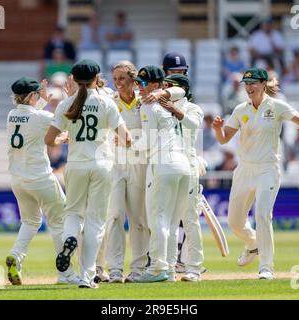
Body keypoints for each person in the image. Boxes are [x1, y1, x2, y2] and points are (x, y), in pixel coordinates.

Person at [212, 67, 299, 279]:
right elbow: (224, 139)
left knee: (262, 215)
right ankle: (252, 243)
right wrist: (217, 129)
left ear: (263, 84)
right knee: (234, 222)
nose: (248, 88)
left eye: (253, 84)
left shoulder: (276, 106)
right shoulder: (241, 109)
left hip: (268, 168)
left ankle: (266, 267)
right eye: (246, 84)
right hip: (245, 168)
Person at [45, 59, 132, 289]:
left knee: (73, 214)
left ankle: (70, 239)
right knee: (96, 222)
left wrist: (63, 139)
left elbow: (48, 139)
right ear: (96, 79)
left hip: (75, 164)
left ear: (73, 79)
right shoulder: (106, 103)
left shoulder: (66, 104)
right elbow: (127, 139)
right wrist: (119, 141)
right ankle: (87, 276)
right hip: (102, 165)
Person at [5, 77, 80, 286]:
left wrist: (41, 102)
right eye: (37, 94)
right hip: (41, 179)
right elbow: (67, 119)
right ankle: (65, 274)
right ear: (31, 96)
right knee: (59, 223)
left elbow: (30, 121)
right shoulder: (41, 116)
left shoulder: (11, 115)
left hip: (18, 180)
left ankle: (16, 256)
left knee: (30, 221)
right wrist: (71, 96)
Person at [127, 65, 190, 283]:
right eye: (138, 83)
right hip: (182, 165)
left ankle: (157, 269)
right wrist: (163, 92)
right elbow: (182, 90)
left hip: (164, 164)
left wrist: (127, 143)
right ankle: (170, 268)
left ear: (156, 84)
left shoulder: (149, 107)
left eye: (143, 84)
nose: (139, 88)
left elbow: (147, 143)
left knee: (158, 220)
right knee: (172, 222)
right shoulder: (170, 102)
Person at [94, 61, 150, 284]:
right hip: (114, 166)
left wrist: (131, 142)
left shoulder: (144, 102)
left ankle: (137, 269)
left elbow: (154, 136)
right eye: (115, 78)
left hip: (139, 165)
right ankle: (115, 269)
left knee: (138, 219)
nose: (117, 83)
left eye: (122, 79)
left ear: (133, 80)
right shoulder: (109, 101)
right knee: (114, 216)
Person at [160, 74, 205, 281]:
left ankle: (194, 268)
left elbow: (192, 125)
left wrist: (173, 109)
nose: (166, 90)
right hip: (167, 167)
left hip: (188, 166)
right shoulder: (161, 108)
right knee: (167, 219)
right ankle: (167, 267)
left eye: (170, 86)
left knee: (189, 219)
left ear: (182, 89)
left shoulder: (193, 108)